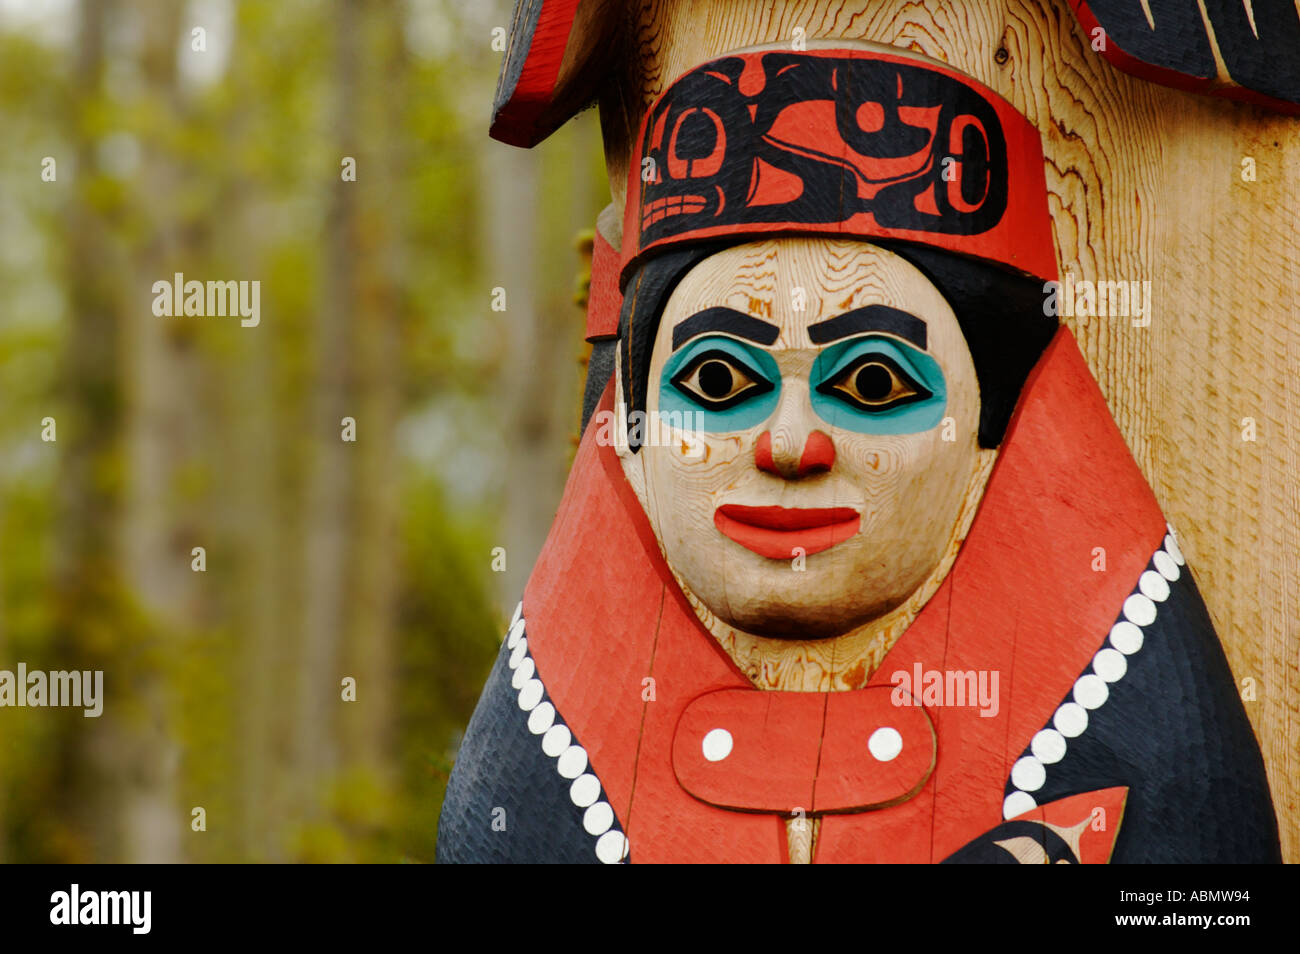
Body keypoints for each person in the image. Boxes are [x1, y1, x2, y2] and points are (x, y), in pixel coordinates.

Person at [436, 44, 1280, 864]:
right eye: (720, 379)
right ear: (635, 431)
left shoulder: (1131, 741)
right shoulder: (557, 742)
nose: (790, 443)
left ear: (996, 434)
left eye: (873, 384)